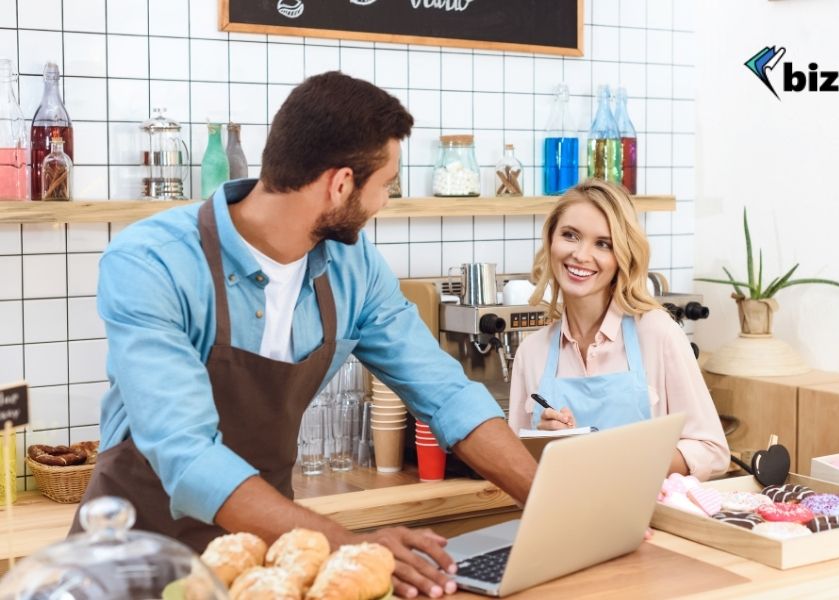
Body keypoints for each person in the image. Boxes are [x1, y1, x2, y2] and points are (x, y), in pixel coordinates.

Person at [70, 71, 537, 600]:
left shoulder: (355, 267)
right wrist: (349, 544)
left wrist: (550, 502)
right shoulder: (151, 262)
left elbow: (447, 394)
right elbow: (187, 455)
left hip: (273, 558)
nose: (386, 201)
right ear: (340, 184)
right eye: (386, 184)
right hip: (134, 555)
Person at [508, 180, 730, 480]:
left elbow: (712, 451)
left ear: (622, 256)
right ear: (550, 240)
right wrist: (544, 444)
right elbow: (517, 467)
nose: (581, 255)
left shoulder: (657, 333)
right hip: (562, 521)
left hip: (646, 523)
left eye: (603, 244)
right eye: (570, 235)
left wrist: (623, 459)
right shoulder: (531, 352)